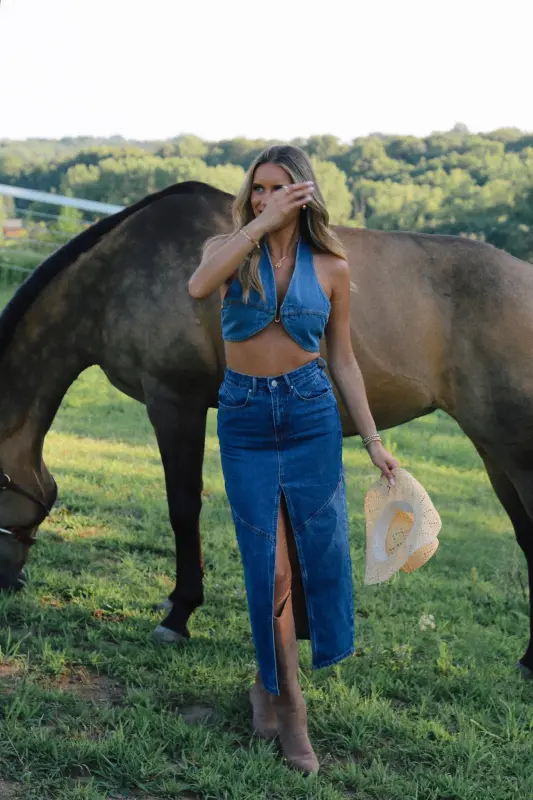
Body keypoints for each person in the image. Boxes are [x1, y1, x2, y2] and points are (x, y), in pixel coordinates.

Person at [188, 145, 399, 774]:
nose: (265, 197)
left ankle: (268, 687)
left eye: (278, 188)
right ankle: (291, 705)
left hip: (310, 416)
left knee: (317, 558)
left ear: (303, 193)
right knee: (269, 568)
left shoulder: (332, 266)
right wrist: (258, 224)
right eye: (258, 187)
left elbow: (343, 360)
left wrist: (373, 440)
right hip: (246, 419)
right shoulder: (227, 251)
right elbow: (198, 286)